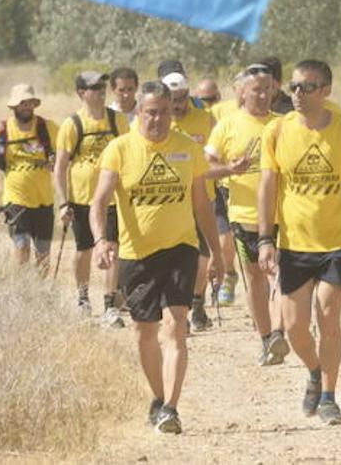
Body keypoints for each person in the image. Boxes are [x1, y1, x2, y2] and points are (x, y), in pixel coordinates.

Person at [90, 81, 223, 435]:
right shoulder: (120, 150)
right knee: (142, 333)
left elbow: (201, 205)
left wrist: (218, 253)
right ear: (138, 111)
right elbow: (99, 202)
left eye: (164, 111)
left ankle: (171, 408)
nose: (158, 119)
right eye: (151, 112)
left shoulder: (187, 149)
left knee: (175, 326)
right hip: (137, 255)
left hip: (181, 248)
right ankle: (158, 397)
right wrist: (102, 240)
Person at [257, 60, 341, 426]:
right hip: (294, 243)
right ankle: (313, 370)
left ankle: (328, 396)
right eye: (293, 87)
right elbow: (268, 187)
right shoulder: (277, 130)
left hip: (337, 241)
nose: (296, 94)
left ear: (325, 91)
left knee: (328, 314)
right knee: (293, 328)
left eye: (306, 87)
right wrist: (265, 238)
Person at [205, 68, 288, 365]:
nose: (264, 95)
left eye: (268, 89)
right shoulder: (227, 126)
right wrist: (230, 169)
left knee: (279, 274)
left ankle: (278, 331)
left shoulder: (284, 124)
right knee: (254, 278)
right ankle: (266, 339)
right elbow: (204, 168)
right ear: (242, 92)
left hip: (283, 215)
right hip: (244, 215)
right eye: (257, 90)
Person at [54, 70, 130, 326]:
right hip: (81, 199)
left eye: (102, 86)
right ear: (81, 93)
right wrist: (63, 202)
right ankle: (83, 298)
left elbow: (128, 154)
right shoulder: (72, 124)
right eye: (94, 87)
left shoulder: (117, 120)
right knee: (84, 250)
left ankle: (110, 305)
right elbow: (60, 166)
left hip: (112, 198)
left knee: (112, 248)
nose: (100, 90)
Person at [164, 72, 220, 330]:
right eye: (173, 99)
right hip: (171, 203)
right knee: (176, 259)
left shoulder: (206, 119)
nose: (178, 103)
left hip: (203, 198)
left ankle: (197, 302)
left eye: (183, 97)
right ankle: (180, 310)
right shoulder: (160, 123)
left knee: (203, 256)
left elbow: (218, 153)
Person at [0, 83, 58, 270]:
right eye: (22, 103)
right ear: (14, 106)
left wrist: (54, 162)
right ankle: (22, 290)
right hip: (15, 200)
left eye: (30, 103)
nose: (27, 107)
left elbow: (64, 157)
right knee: (22, 244)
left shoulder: (48, 128)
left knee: (43, 253)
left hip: (44, 200)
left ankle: (39, 293)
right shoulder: (0, 133)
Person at [195, 75, 237, 301]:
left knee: (224, 239)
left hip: (222, 186)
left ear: (219, 97)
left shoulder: (226, 112)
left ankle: (226, 276)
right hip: (203, 188)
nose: (207, 105)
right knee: (210, 243)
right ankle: (211, 285)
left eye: (210, 99)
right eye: (202, 100)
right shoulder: (196, 116)